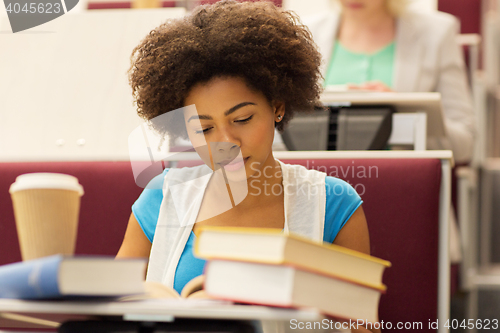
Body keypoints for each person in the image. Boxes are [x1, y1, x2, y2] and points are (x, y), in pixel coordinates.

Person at [117, 1, 376, 332]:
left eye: (242, 119)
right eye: (204, 128)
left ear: (277, 107)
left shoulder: (334, 204)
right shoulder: (161, 199)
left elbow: (362, 327)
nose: (226, 143)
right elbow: (115, 313)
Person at [303, 0, 476, 164]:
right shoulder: (304, 34)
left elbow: (464, 143)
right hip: (320, 183)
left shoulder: (437, 34)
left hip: (398, 183)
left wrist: (404, 108)